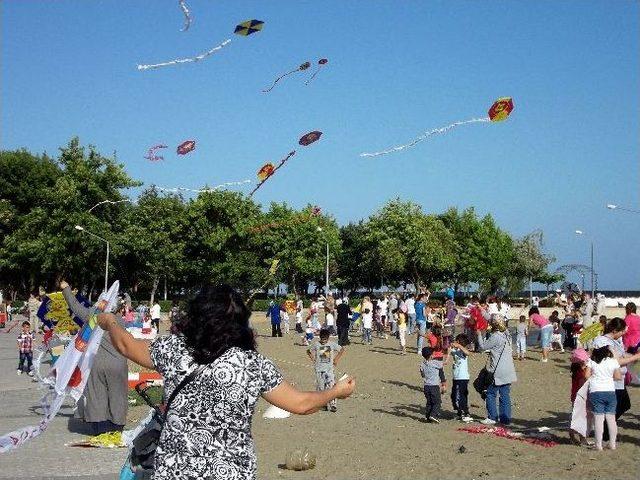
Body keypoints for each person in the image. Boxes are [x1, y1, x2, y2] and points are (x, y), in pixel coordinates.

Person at [96, 284, 355, 479]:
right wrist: (335, 391)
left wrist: (110, 322)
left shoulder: (173, 349)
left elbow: (126, 345)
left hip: (175, 469)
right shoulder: (253, 364)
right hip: (232, 470)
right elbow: (301, 404)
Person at [61, 281, 128, 435]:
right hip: (117, 364)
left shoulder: (93, 316)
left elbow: (75, 307)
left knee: (97, 395)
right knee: (117, 395)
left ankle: (100, 428)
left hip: (96, 363)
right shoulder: (121, 322)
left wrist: (66, 289)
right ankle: (116, 427)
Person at [585, 346, 640, 450]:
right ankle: (612, 443)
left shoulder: (592, 361)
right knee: (611, 419)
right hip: (610, 391)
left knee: (598, 419)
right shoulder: (613, 362)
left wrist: (595, 378)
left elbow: (586, 375)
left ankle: (598, 445)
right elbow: (618, 377)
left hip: (596, 391)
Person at [592, 318, 633, 440]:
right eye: (621, 331)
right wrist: (635, 357)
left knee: (624, 404)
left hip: (618, 380)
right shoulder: (603, 342)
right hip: (610, 381)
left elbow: (622, 355)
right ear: (615, 330)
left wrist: (633, 356)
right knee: (620, 405)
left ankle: (606, 431)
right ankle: (605, 433)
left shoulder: (614, 341)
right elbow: (616, 361)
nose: (623, 334)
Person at [476, 319, 517, 425]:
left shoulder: (495, 336)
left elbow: (482, 347)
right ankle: (505, 419)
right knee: (505, 394)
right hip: (508, 369)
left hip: (498, 370)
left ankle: (492, 417)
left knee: (490, 393)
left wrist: (479, 334)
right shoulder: (507, 335)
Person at [307, 328, 345, 412]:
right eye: (322, 339)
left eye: (325, 339)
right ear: (319, 337)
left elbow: (342, 350)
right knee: (321, 387)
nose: (323, 341)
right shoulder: (316, 344)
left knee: (331, 386)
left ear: (328, 338)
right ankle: (323, 404)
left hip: (329, 370)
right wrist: (313, 359)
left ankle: (333, 405)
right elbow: (308, 351)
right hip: (319, 370)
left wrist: (336, 359)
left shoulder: (332, 344)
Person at [569, 348, 591, 445]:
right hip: (581, 397)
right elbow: (583, 384)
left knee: (579, 418)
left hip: (576, 397)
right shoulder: (581, 373)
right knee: (581, 419)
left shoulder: (576, 371)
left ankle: (576, 437)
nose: (585, 362)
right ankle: (580, 438)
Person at [450, 334, 473, 422]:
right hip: (456, 377)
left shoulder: (463, 351)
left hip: (463, 377)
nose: (455, 342)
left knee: (462, 395)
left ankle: (466, 412)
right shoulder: (455, 350)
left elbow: (468, 353)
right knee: (454, 395)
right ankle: (460, 412)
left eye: (457, 341)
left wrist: (459, 346)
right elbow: (446, 350)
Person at [420, 346, 446, 423]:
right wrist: (448, 353)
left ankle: (428, 417)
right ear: (431, 355)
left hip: (426, 386)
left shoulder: (422, 364)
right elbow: (444, 363)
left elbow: (422, 375)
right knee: (437, 402)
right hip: (434, 386)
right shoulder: (435, 363)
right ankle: (433, 415)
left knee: (429, 402)